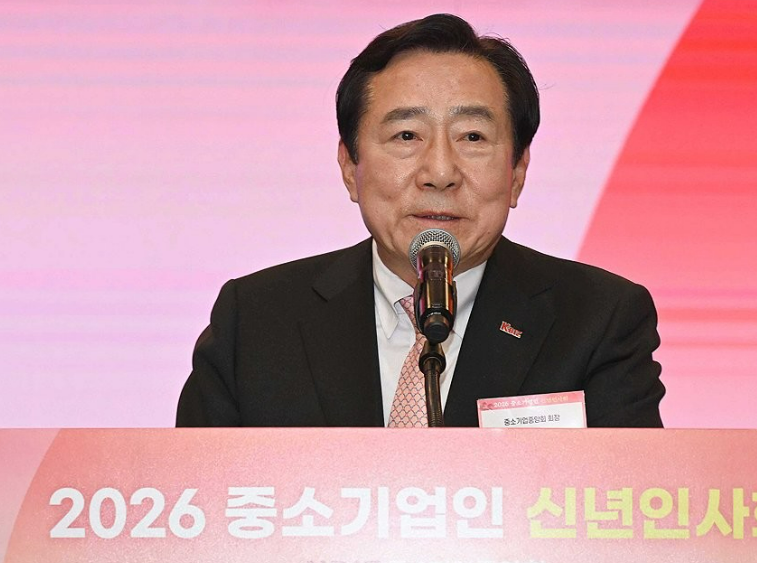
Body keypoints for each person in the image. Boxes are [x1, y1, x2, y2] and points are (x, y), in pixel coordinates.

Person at [176, 13, 664, 428]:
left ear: (517, 172)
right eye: (407, 136)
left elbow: (630, 502)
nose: (440, 172)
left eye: (472, 137)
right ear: (349, 167)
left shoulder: (598, 319)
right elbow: (193, 498)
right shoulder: (257, 320)